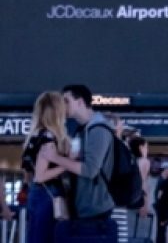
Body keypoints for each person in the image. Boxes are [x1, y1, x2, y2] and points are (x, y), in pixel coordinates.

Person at [40, 85, 116, 227]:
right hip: (83, 208)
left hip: (94, 210)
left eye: (66, 101)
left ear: (80, 102)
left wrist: (55, 158)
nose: (62, 105)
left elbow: (90, 170)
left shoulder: (98, 130)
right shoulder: (81, 130)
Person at [21, 91, 69, 243]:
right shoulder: (48, 137)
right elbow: (40, 176)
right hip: (48, 197)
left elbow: (28, 175)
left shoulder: (33, 137)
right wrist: (67, 165)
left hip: (36, 195)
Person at [127, 136, 152, 239]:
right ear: (141, 147)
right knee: (141, 232)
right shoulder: (144, 162)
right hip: (139, 199)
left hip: (128, 198)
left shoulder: (129, 160)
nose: (147, 149)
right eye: (146, 147)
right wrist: (145, 203)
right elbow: (142, 182)